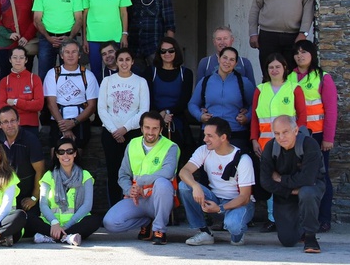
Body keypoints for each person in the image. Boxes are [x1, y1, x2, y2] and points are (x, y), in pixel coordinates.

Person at [103, 111, 179, 245]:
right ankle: (147, 222)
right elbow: (123, 175)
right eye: (147, 127)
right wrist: (128, 190)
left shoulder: (171, 147)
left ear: (161, 129)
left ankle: (159, 229)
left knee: (162, 183)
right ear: (141, 128)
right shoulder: (132, 144)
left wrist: (140, 182)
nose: (151, 132)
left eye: (155, 128)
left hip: (159, 200)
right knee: (110, 223)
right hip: (138, 198)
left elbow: (167, 173)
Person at [252, 53, 308, 232]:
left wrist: (298, 141)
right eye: (270, 67)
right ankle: (272, 218)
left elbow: (302, 116)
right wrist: (254, 139)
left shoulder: (294, 88)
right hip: (265, 143)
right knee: (270, 179)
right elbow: (254, 117)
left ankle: (294, 218)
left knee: (289, 179)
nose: (274, 70)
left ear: (285, 68)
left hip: (288, 144)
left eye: (277, 66)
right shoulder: (260, 89)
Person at [178, 117, 255, 246]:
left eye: (209, 136)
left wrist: (219, 208)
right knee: (185, 186)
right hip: (214, 199)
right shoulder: (204, 150)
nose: (204, 139)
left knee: (233, 227)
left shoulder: (243, 158)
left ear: (223, 137)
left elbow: (245, 197)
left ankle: (237, 234)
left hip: (237, 204)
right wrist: (195, 186)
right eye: (204, 135)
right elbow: (184, 171)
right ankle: (204, 232)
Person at [288, 40, 337, 232]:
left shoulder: (323, 78)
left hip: (317, 136)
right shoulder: (289, 77)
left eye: (304, 52)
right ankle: (299, 220)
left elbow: (331, 111)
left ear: (312, 54)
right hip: (294, 136)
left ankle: (324, 219)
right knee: (296, 176)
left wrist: (328, 138)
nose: (300, 56)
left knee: (321, 178)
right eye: (297, 53)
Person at [260, 115, 325, 253]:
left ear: (295, 131)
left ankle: (310, 237)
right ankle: (299, 228)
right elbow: (265, 181)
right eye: (277, 133)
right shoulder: (271, 147)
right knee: (287, 241)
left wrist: (281, 179)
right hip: (285, 193)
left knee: (307, 193)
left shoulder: (309, 145)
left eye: (285, 132)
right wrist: (291, 191)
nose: (281, 137)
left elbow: (308, 179)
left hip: (312, 187)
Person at [98, 48, 149, 207]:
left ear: (132, 61)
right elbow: (101, 109)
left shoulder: (141, 82)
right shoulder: (107, 81)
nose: (124, 63)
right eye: (121, 60)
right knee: (114, 172)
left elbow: (143, 110)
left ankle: (134, 207)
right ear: (116, 62)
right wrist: (114, 130)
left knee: (134, 172)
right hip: (110, 133)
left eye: (128, 59)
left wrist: (125, 128)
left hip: (132, 134)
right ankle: (114, 206)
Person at [29, 138, 101, 246]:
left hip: (75, 223)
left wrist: (67, 226)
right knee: (28, 218)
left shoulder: (85, 175)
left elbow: (87, 206)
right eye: (61, 152)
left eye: (69, 151)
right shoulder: (49, 175)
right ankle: (67, 237)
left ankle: (52, 236)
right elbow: (43, 204)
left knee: (95, 220)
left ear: (75, 154)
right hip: (51, 223)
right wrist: (54, 223)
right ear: (57, 155)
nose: (65, 155)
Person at [188, 47, 255, 151]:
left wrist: (247, 117)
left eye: (232, 59)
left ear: (236, 63)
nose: (227, 62)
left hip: (236, 133)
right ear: (219, 59)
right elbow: (192, 104)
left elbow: (255, 104)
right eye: (225, 58)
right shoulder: (205, 81)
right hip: (210, 133)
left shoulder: (243, 82)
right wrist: (200, 116)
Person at [32, 0, 83, 82]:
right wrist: (48, 38)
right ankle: (45, 102)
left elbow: (79, 19)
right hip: (46, 40)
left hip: (69, 40)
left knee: (70, 76)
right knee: (44, 76)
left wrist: (70, 38)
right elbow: (37, 19)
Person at [82, 0, 131, 81]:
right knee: (96, 72)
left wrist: (124, 34)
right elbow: (84, 14)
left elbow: (124, 12)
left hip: (115, 37)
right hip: (94, 37)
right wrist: (84, 38)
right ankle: (98, 100)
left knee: (118, 70)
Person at [0, 106, 45, 222]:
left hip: (26, 199)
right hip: (2, 197)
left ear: (18, 121)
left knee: (30, 223)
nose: (10, 125)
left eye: (12, 120)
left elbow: (40, 171)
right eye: (5, 122)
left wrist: (34, 198)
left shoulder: (31, 140)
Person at [43, 40, 99, 148]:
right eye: (67, 52)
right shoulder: (52, 74)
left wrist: (74, 122)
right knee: (56, 154)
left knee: (76, 155)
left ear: (79, 55)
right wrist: (65, 127)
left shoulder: (88, 75)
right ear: (62, 56)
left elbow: (92, 106)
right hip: (58, 120)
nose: (70, 55)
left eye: (74, 52)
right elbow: (51, 103)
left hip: (80, 120)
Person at [146, 37, 194, 160]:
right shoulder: (150, 72)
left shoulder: (186, 73)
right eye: (163, 51)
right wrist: (160, 114)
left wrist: (168, 113)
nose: (167, 54)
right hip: (155, 119)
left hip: (177, 120)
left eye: (171, 50)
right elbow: (148, 97)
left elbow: (184, 100)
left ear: (176, 51)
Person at [127, 0, 175, 71]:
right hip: (135, 47)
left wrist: (169, 47)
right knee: (137, 78)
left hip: (154, 46)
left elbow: (170, 24)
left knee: (156, 76)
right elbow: (127, 20)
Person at [0, 47, 44, 132]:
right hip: (10, 126)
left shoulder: (35, 79)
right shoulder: (4, 81)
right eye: (15, 57)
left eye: (21, 58)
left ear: (26, 60)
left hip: (30, 125)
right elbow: (2, 106)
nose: (18, 60)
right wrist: (28, 104)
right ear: (10, 60)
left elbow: (39, 105)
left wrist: (15, 102)